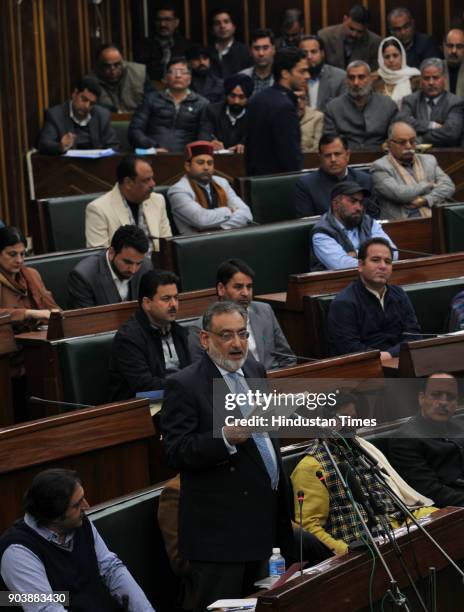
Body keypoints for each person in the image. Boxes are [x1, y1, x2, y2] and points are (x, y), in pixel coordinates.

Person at [160, 301, 294, 611]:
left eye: (243, 334)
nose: (237, 344)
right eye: (226, 335)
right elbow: (176, 452)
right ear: (205, 339)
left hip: (267, 524)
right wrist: (225, 438)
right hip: (222, 537)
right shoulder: (185, 384)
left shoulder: (255, 370)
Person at [291, 394, 435, 555]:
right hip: (361, 545)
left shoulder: (361, 451)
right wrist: (344, 551)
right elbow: (310, 526)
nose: (351, 425)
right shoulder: (310, 466)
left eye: (353, 418)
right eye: (344, 419)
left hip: (397, 528)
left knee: (442, 518)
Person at [0, 469, 155, 611]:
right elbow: (46, 607)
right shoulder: (17, 551)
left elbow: (111, 569)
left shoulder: (79, 522)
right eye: (77, 504)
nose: (87, 506)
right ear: (54, 517)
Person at [189, 258, 296, 370]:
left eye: (249, 287)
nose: (246, 293)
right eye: (238, 287)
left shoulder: (265, 311)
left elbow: (287, 358)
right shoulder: (199, 329)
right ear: (221, 289)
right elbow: (202, 375)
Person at [327, 237, 421, 361]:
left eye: (387, 261)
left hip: (402, 361)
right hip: (364, 370)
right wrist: (381, 357)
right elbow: (348, 348)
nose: (383, 266)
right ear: (360, 265)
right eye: (376, 260)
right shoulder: (344, 303)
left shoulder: (399, 294)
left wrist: (390, 355)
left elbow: (414, 335)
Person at [109, 269, 190, 401]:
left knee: (218, 398)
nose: (173, 304)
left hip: (177, 397)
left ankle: (230, 420)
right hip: (143, 407)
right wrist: (187, 385)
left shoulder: (180, 332)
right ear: (147, 303)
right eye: (166, 299)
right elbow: (145, 387)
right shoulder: (128, 338)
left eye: (176, 298)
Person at [389, 373, 464, 507]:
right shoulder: (404, 440)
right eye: (436, 395)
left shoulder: (460, 426)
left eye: (450, 397)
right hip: (449, 513)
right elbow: (431, 492)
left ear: (457, 403)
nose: (443, 402)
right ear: (421, 398)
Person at [85, 155, 172, 252]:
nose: (153, 184)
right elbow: (99, 256)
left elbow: (167, 245)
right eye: (146, 180)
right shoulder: (98, 209)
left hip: (157, 265)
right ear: (128, 183)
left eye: (152, 178)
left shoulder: (158, 200)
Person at [371, 121, 455, 220]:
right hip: (402, 224)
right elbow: (400, 194)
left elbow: (448, 186)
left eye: (412, 141)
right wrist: (427, 185)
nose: (408, 146)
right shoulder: (380, 167)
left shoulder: (429, 160)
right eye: (402, 142)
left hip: (436, 219)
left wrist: (425, 200)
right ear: (389, 144)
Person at [245, 47, 309, 176]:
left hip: (255, 181)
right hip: (279, 183)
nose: (307, 76)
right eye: (302, 71)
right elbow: (290, 156)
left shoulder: (257, 99)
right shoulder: (285, 107)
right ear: (285, 73)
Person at [167, 141, 252, 234]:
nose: (206, 167)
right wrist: (230, 210)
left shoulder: (222, 183)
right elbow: (201, 220)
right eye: (200, 162)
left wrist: (215, 230)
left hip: (227, 239)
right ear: (188, 166)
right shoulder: (178, 190)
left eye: (210, 163)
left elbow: (246, 214)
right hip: (196, 245)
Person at [128, 57, 209, 153]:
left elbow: (204, 135)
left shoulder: (202, 103)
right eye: (173, 72)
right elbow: (135, 130)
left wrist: (192, 152)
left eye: (183, 72)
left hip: (186, 156)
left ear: (190, 78)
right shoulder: (151, 99)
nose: (178, 76)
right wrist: (152, 147)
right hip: (152, 153)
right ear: (166, 77)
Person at [311, 184, 397, 271]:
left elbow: (394, 253)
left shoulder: (369, 222)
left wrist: (356, 253)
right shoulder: (322, 232)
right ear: (336, 204)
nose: (359, 208)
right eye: (353, 201)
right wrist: (377, 257)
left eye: (361, 202)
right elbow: (342, 266)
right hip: (336, 282)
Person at [67, 224, 152, 309]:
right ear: (112, 252)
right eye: (127, 262)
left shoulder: (146, 267)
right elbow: (86, 320)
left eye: (138, 264)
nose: (133, 270)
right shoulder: (84, 277)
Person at [324, 60, 398, 151]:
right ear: (346, 81)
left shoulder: (388, 105)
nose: (356, 82)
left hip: (379, 158)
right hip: (346, 159)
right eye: (351, 78)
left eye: (361, 77)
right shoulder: (333, 108)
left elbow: (395, 138)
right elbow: (329, 142)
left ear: (370, 79)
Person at [295, 135, 373, 218]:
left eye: (337, 154)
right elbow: (306, 223)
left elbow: (373, 217)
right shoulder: (306, 185)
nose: (333, 159)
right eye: (327, 155)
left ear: (347, 155)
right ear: (320, 157)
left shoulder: (365, 180)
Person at [37, 77, 119, 155]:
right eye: (84, 99)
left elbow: (113, 146)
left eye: (92, 103)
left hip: (97, 165)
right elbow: (44, 144)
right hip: (68, 166)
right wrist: (60, 146)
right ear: (74, 93)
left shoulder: (102, 115)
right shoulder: (56, 115)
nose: (87, 106)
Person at [0, 226, 60, 327]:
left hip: (37, 336)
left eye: (22, 254)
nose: (19, 260)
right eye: (12, 254)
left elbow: (52, 309)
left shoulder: (32, 274)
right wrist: (28, 313)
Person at [397, 57, 464, 147]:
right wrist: (430, 125)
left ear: (444, 79)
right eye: (426, 78)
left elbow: (451, 132)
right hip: (414, 154)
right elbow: (400, 122)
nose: (431, 82)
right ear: (420, 80)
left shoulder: (455, 102)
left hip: (446, 154)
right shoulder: (410, 100)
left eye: (435, 78)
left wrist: (420, 139)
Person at [88, 43, 154, 113]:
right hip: (110, 120)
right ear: (99, 65)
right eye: (107, 66)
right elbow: (93, 106)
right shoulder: (91, 81)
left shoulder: (139, 73)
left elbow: (154, 100)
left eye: (117, 65)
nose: (113, 72)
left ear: (122, 61)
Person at [134, 4, 193, 81]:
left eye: (167, 20)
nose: (162, 24)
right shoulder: (143, 46)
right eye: (159, 20)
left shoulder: (187, 46)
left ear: (176, 22)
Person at [318, 5, 381, 71]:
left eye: (360, 32)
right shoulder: (325, 36)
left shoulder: (375, 42)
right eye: (351, 29)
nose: (354, 34)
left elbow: (374, 72)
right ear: (345, 19)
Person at [204, 74, 253, 153]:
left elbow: (257, 138)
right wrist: (210, 141)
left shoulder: (255, 114)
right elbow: (204, 133)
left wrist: (245, 145)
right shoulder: (212, 111)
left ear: (248, 97)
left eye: (241, 97)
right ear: (226, 95)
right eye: (232, 96)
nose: (236, 101)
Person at [298, 35, 347, 113]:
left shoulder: (340, 77)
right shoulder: (293, 77)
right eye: (304, 53)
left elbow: (344, 111)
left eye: (313, 52)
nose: (309, 56)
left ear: (322, 53)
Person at [371, 37, 421, 107]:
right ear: (381, 59)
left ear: (402, 55)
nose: (391, 60)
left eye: (395, 55)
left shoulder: (415, 78)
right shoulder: (374, 79)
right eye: (387, 57)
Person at [208, 9, 252, 79]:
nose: (222, 26)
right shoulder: (206, 53)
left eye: (226, 22)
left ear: (234, 27)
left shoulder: (245, 52)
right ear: (212, 30)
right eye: (217, 23)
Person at [240, 28, 275, 94]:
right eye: (256, 48)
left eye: (265, 48)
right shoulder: (241, 77)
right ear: (250, 51)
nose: (261, 53)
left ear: (273, 50)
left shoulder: (283, 78)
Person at [295, 87, 324, 153]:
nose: (298, 102)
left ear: (307, 100)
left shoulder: (317, 117)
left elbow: (318, 148)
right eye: (294, 98)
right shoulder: (281, 116)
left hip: (310, 159)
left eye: (302, 98)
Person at [443, 28, 464, 97]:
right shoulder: (434, 70)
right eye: (450, 46)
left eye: (459, 46)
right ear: (444, 46)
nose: (454, 51)